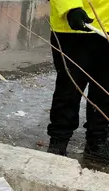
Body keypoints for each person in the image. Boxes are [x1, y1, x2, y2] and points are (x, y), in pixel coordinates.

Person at [47, 0, 109, 163]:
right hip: (73, 25)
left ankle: (97, 142)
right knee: (69, 88)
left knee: (104, 89)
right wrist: (70, 8)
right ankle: (58, 141)